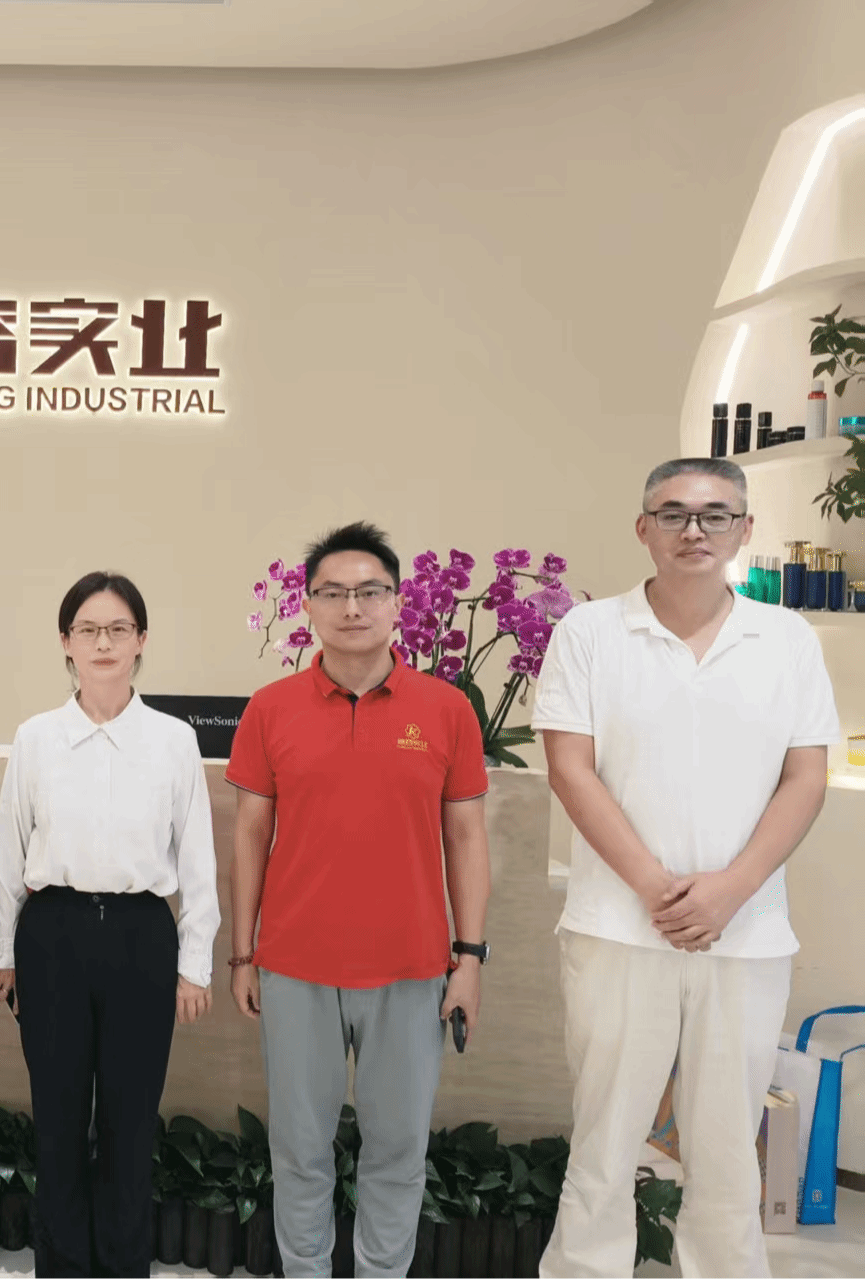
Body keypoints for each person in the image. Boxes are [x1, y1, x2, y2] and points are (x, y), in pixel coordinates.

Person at [533, 458, 837, 1279]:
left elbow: (806, 775)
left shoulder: (786, 638)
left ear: (745, 529)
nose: (693, 529)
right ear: (644, 529)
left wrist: (730, 890)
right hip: (616, 927)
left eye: (715, 514)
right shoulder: (590, 632)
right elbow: (570, 768)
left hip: (746, 932)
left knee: (727, 1146)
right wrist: (653, 887)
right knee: (604, 1137)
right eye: (672, 514)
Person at [226, 521, 491, 1279]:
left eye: (370, 591)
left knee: (398, 1150)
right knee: (298, 1150)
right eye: (333, 592)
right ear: (308, 604)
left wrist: (470, 959)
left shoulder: (446, 709)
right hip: (295, 967)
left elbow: (467, 837)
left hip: (412, 968)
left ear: (397, 602)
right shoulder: (271, 708)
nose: (352, 607)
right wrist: (243, 955)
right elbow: (250, 834)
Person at [0, 570, 219, 1277]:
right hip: (52, 935)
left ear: (141, 640)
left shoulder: (173, 740)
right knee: (57, 1123)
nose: (103, 642)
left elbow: (198, 857)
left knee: (129, 1123)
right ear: (66, 642)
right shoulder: (36, 737)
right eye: (88, 629)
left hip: (141, 936)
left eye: (119, 628)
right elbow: (9, 851)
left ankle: (122, 1266)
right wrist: (4, 951)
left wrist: (195, 964)